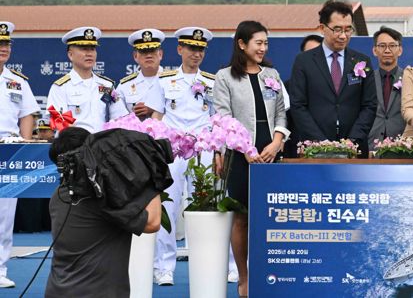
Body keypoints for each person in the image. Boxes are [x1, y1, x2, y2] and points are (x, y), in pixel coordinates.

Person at [214, 20, 290, 297]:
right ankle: (244, 278)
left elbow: (282, 112)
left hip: (270, 152)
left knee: (271, 216)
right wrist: (245, 148)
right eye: (258, 42)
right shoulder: (225, 77)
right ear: (242, 44)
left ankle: (268, 274)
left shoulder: (272, 74)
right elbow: (222, 117)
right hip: (240, 154)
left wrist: (277, 142)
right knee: (242, 218)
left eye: (266, 43)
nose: (263, 48)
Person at [143, 26, 223, 286]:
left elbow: (218, 120)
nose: (196, 54)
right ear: (179, 50)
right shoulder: (164, 80)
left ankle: (210, 261)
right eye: (191, 48)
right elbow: (155, 116)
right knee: (168, 205)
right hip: (173, 152)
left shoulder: (211, 82)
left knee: (207, 207)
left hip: (204, 151)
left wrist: (218, 151)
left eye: (200, 49)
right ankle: (164, 266)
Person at [45, 127, 162, 298]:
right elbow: (152, 222)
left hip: (58, 291)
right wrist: (150, 173)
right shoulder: (105, 198)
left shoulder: (58, 196)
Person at [288, 0, 377, 158]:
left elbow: (369, 105)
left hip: (354, 148)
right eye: (337, 29)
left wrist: (352, 140)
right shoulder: (304, 61)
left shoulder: (362, 61)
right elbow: (298, 106)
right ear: (322, 28)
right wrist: (321, 142)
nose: (343, 36)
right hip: (314, 149)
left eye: (348, 29)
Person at [0, 21, 38, 289]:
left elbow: (27, 114)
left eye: (6, 44)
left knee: (4, 215)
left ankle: (0, 268)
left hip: (9, 151)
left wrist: (23, 146)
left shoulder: (17, 82)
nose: (3, 48)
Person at [46, 27, 127, 133]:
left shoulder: (106, 85)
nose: (89, 53)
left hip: (102, 145)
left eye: (92, 49)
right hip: (73, 146)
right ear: (70, 55)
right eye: (84, 49)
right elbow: (58, 121)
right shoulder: (60, 87)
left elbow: (120, 117)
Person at [117, 29, 166, 120]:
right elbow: (118, 118)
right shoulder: (124, 86)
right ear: (135, 56)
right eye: (143, 51)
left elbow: (181, 115)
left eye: (152, 50)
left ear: (160, 54)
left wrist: (154, 110)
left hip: (166, 133)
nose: (149, 55)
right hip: (134, 133)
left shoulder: (173, 81)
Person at [368, 27, 405, 146]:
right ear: (374, 50)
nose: (387, 50)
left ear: (400, 50)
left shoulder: (410, 78)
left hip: (402, 144)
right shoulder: (366, 79)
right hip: (371, 143)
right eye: (382, 46)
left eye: (392, 46)